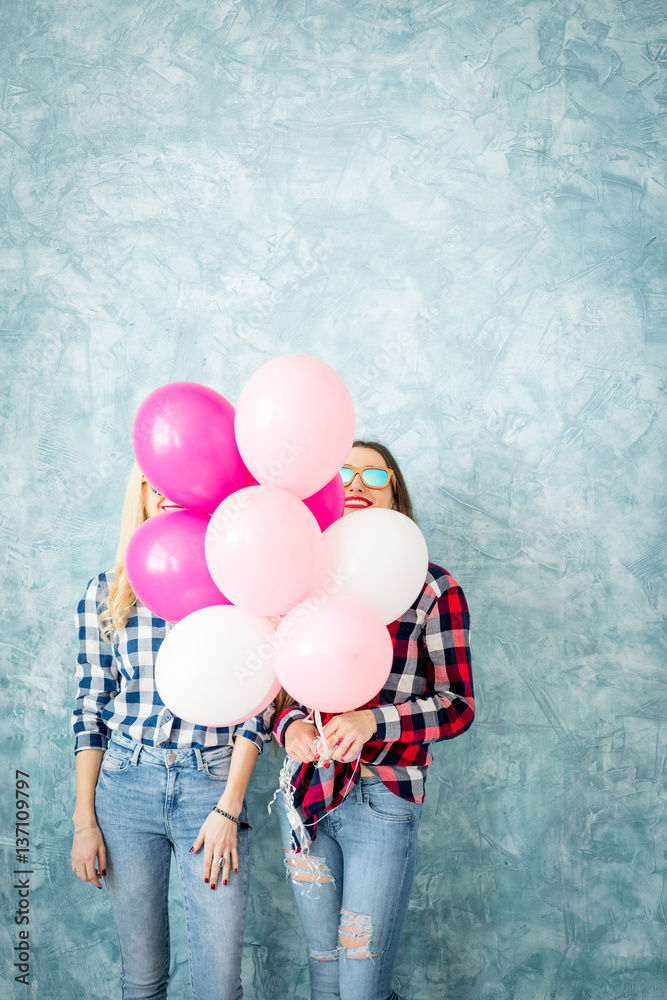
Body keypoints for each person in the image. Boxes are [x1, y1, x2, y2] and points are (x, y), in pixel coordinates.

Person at [273, 440, 475, 1000]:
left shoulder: (433, 587)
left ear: (394, 491)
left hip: (383, 800)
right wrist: (291, 729)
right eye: (342, 472)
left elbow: (459, 704)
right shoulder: (306, 581)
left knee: (361, 983)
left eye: (372, 474)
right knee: (325, 977)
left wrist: (373, 723)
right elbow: (276, 694)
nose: (356, 482)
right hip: (306, 799)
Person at [70, 463, 272, 1000]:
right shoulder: (106, 593)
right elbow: (90, 710)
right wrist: (84, 820)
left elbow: (258, 709)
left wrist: (230, 806)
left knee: (218, 984)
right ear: (140, 494)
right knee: (141, 979)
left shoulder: (236, 591)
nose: (168, 494)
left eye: (180, 481)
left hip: (210, 788)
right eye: (155, 483)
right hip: (124, 789)